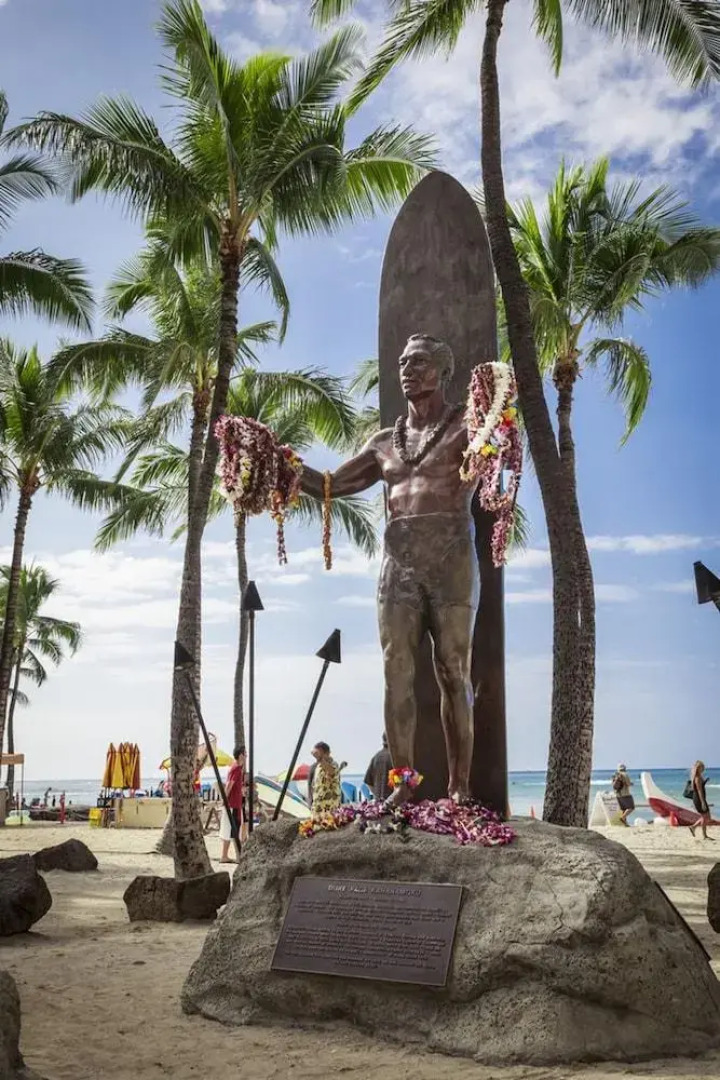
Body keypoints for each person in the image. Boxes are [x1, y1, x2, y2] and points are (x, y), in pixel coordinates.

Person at [299, 335, 482, 805]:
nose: (407, 370)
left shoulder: (469, 425)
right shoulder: (384, 443)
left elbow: (498, 452)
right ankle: (403, 783)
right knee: (395, 671)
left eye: (418, 362)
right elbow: (329, 485)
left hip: (451, 560)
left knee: (452, 670)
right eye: (402, 363)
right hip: (397, 565)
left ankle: (460, 789)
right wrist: (278, 466)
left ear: (442, 369)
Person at [219, 747, 245, 863]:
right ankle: (238, 856)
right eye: (245, 754)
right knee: (234, 830)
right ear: (240, 755)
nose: (246, 756)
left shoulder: (234, 768)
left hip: (233, 804)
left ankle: (225, 856)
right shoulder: (237, 769)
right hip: (233, 805)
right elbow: (229, 785)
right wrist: (224, 800)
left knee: (230, 830)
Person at [310, 742, 341, 814]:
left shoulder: (333, 764)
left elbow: (331, 772)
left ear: (327, 753)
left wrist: (320, 758)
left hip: (330, 809)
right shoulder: (318, 766)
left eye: (318, 753)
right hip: (317, 807)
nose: (316, 756)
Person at [364, 734, 393, 801]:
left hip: (379, 803)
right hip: (393, 803)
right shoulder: (396, 758)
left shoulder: (376, 757)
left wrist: (377, 794)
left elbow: (368, 782)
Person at [689, 761, 713, 841]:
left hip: (699, 799)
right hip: (699, 799)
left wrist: (705, 781)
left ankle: (694, 827)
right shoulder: (698, 778)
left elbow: (700, 787)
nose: (704, 769)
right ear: (698, 768)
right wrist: (703, 802)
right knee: (706, 817)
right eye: (702, 767)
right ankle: (704, 835)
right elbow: (699, 790)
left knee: (705, 817)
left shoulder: (698, 777)